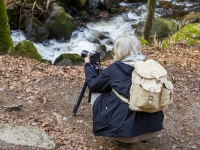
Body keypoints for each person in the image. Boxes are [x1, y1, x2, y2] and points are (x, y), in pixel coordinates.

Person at [84, 35, 164, 148]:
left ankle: (122, 139)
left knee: (97, 94)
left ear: (119, 50)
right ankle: (144, 136)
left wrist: (88, 65)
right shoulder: (150, 67)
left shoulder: (116, 68)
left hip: (126, 136)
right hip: (152, 129)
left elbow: (93, 85)